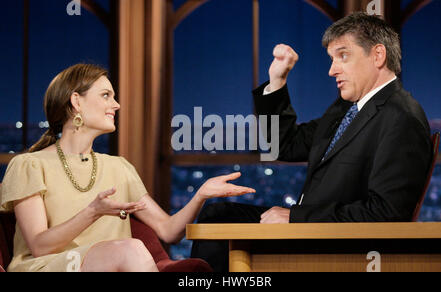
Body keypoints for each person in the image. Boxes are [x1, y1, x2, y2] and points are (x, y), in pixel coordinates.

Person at [191, 12, 433, 272]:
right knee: (218, 216)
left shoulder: (402, 117)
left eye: (343, 56)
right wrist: (277, 81)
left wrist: (295, 218)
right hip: (306, 230)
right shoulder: (347, 109)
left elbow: (386, 213)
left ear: (377, 55)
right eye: (331, 59)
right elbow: (286, 145)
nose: (331, 70)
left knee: (219, 224)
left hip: (333, 248)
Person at [0, 64, 256, 272]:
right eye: (106, 96)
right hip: (48, 267)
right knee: (131, 249)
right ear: (76, 101)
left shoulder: (119, 167)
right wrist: (93, 212)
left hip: (115, 266)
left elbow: (169, 231)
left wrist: (201, 194)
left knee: (130, 250)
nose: (117, 105)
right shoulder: (29, 165)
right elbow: (40, 246)